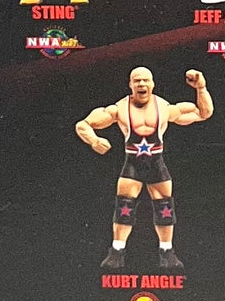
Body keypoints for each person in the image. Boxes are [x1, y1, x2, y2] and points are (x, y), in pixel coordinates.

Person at [76, 67, 215, 269]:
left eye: (145, 80)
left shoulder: (165, 108)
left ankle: (167, 252)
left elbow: (204, 113)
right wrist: (94, 140)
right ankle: (116, 252)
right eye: (137, 80)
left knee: (164, 207)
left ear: (152, 84)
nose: (141, 84)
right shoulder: (119, 109)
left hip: (156, 163)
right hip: (132, 163)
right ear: (130, 85)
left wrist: (201, 88)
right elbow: (83, 124)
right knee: (124, 207)